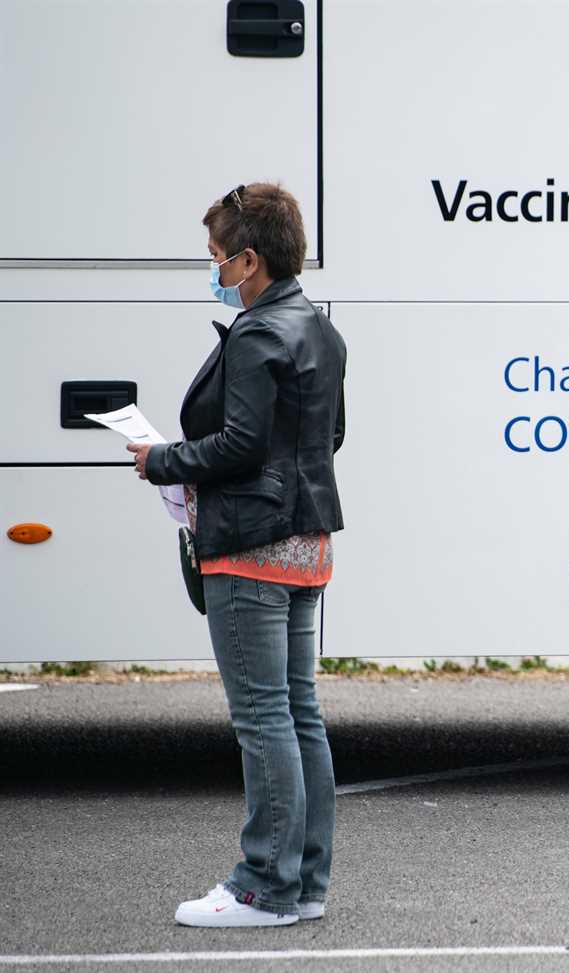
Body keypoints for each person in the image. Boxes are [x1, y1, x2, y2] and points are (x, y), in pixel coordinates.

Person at [128, 182, 348, 928]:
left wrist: (162, 459)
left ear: (250, 260)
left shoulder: (257, 335)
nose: (214, 270)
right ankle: (306, 881)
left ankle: (263, 887)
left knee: (262, 717)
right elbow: (327, 440)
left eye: (218, 258)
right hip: (305, 546)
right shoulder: (319, 328)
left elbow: (241, 445)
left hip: (249, 549)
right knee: (299, 712)